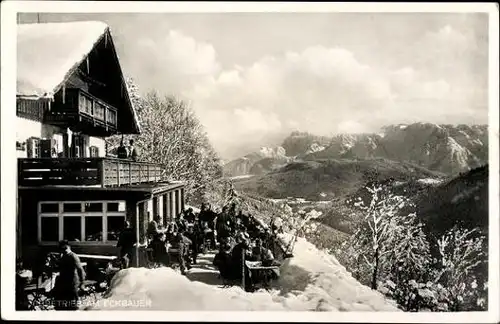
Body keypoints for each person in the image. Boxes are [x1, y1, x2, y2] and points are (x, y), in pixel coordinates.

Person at [52, 240, 86, 311]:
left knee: (72, 304)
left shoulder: (73, 256)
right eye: (61, 249)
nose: (63, 250)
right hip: (63, 281)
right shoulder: (63, 256)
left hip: (72, 282)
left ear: (68, 247)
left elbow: (80, 270)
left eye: (65, 248)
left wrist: (82, 283)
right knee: (60, 304)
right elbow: (60, 267)